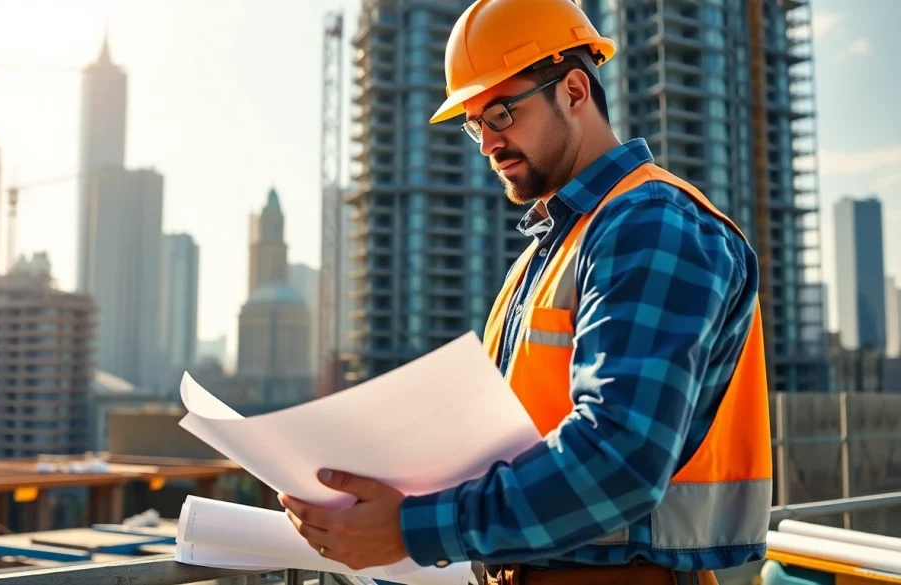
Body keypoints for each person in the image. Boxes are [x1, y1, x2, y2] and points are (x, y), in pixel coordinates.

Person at [278, 0, 773, 584]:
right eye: (474, 124)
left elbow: (621, 456)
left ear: (573, 90)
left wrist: (413, 528)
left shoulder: (651, 222)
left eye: (502, 113)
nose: (487, 144)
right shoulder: (550, 251)